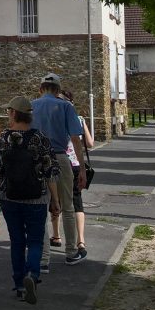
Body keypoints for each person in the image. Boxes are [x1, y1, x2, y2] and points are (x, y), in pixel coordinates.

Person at [0, 96, 61, 305]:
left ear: (13, 113)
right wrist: (54, 200)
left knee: (17, 241)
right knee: (36, 240)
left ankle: (20, 284)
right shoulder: (40, 138)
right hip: (36, 197)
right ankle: (32, 273)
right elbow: (51, 172)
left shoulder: (3, 139)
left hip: (9, 197)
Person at [31, 73, 87, 266]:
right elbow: (75, 139)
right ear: (57, 90)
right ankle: (71, 251)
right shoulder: (65, 106)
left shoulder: (31, 106)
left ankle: (43, 258)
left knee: (40, 206)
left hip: (37, 159)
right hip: (60, 157)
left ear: (41, 88)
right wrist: (81, 169)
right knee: (68, 206)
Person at [49, 91, 93, 258]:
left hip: (59, 161)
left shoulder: (54, 118)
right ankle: (80, 241)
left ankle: (56, 235)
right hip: (74, 164)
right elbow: (89, 143)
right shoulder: (79, 119)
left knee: (56, 200)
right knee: (76, 202)